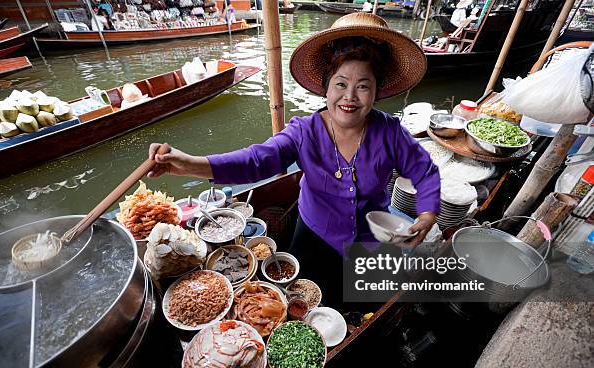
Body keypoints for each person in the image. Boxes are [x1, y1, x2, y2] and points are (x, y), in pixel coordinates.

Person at [148, 13, 440, 307]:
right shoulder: (304, 131)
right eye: (340, 84)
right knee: (305, 305)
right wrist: (188, 163)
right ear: (326, 87)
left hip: (372, 240)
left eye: (363, 86)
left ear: (376, 91)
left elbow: (425, 172)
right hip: (314, 236)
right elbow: (256, 161)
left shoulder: (389, 131)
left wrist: (427, 215)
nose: (350, 96)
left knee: (365, 308)